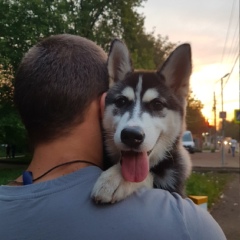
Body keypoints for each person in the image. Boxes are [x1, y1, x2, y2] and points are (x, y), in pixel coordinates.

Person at [0, 34, 226, 240]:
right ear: (102, 105)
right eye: (120, 102)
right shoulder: (188, 225)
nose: (134, 124)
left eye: (156, 105)